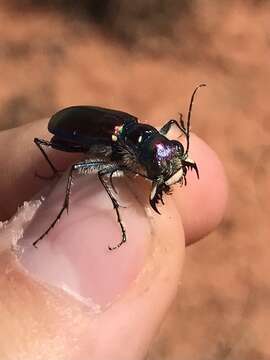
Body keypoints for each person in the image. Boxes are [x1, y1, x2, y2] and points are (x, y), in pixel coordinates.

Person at [0, 118, 227, 359]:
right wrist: (120, 216)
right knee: (79, 169)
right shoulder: (124, 151)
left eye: (175, 151)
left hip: (116, 129)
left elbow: (168, 129)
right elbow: (102, 175)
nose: (171, 168)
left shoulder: (146, 137)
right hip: (86, 131)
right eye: (156, 163)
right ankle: (66, 217)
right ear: (138, 155)